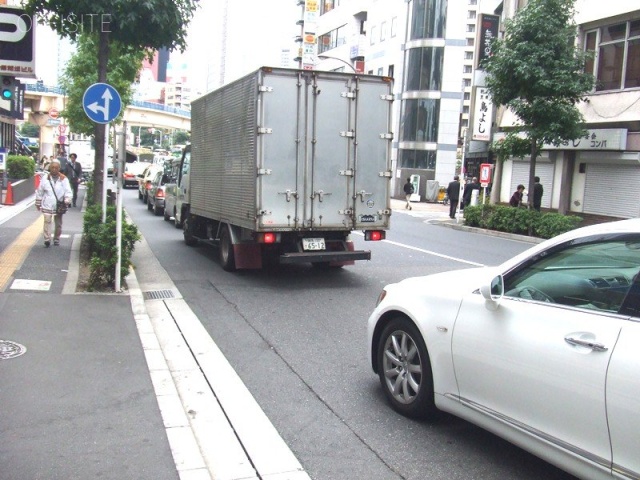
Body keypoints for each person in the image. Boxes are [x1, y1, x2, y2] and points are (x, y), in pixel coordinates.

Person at [35, 159, 72, 247]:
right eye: (52, 167)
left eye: (56, 168)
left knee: (58, 223)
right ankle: (47, 239)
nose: (54, 169)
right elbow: (40, 191)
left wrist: (67, 199)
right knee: (47, 221)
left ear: (59, 168)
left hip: (59, 205)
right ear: (50, 168)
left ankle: (56, 238)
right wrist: (38, 202)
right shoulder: (45, 178)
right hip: (47, 203)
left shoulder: (63, 179)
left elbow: (68, 191)